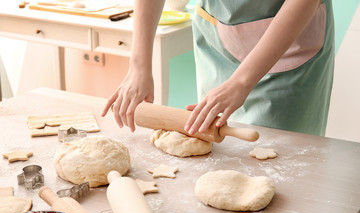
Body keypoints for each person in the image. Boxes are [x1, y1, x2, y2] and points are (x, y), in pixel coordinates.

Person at [102, 0, 334, 137]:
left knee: (276, 160)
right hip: (217, 35)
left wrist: (242, 81)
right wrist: (139, 65)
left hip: (287, 45)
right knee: (218, 142)